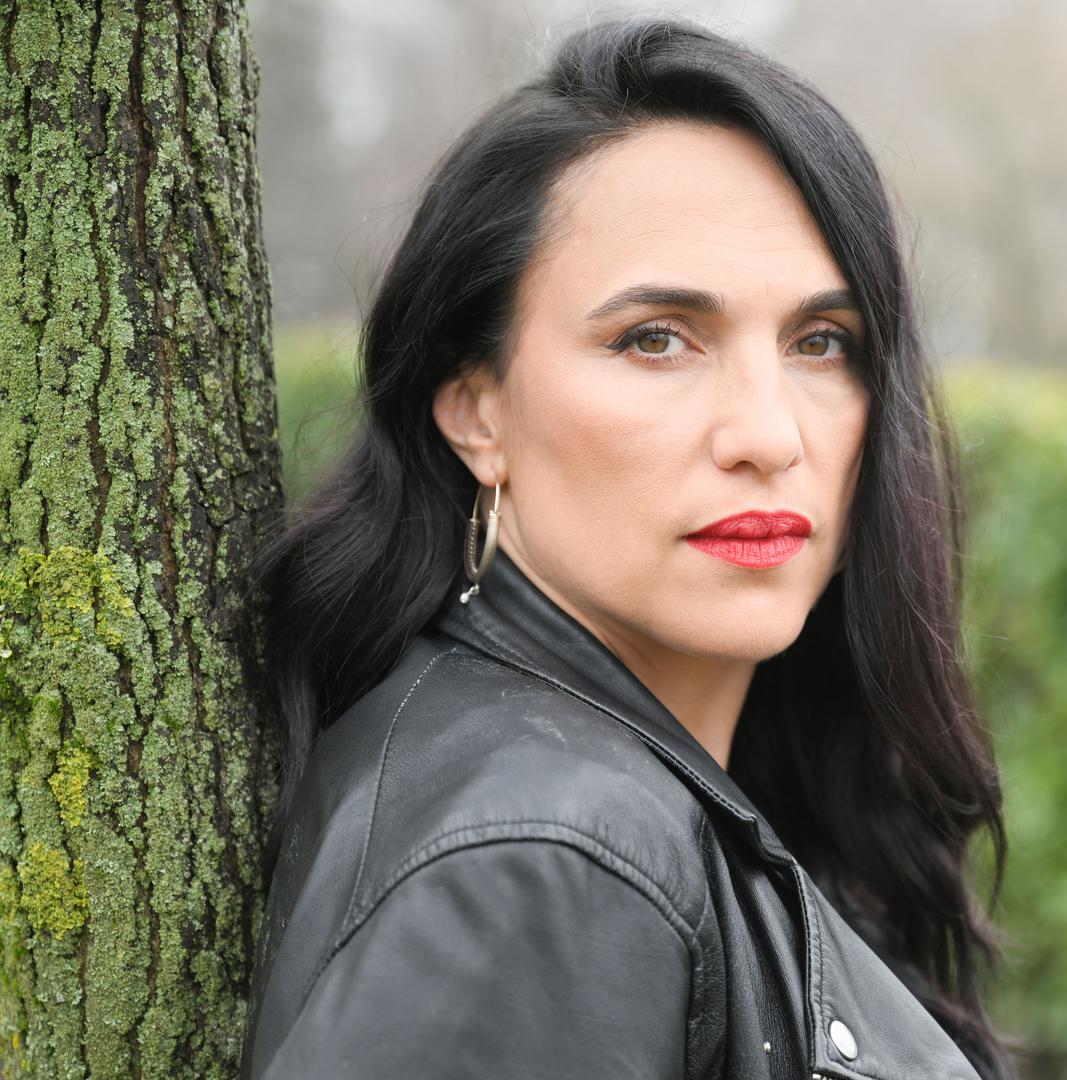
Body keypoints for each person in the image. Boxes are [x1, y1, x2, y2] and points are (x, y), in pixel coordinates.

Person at [240, 14, 1014, 1080]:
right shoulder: (545, 860)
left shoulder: (611, 788)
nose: (768, 436)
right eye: (655, 339)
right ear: (475, 408)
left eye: (821, 343)